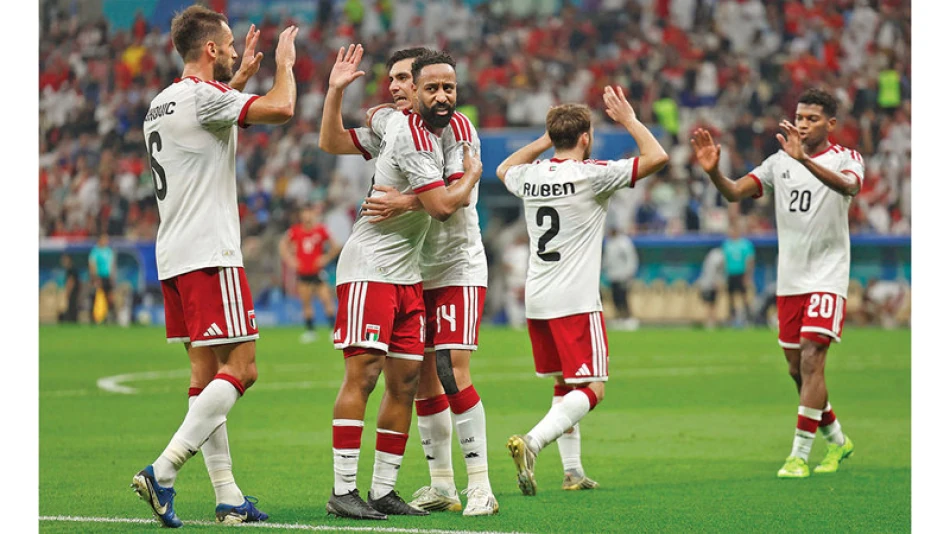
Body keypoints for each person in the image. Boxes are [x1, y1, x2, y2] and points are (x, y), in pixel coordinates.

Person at [130, 5, 298, 527]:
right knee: (243, 367)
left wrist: (240, 77)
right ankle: (163, 470)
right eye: (227, 46)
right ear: (209, 49)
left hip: (174, 254)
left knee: (205, 377)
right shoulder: (205, 97)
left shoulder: (161, 102)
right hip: (210, 253)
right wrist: (285, 64)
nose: (232, 52)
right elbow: (282, 108)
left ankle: (228, 497)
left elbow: (210, 118)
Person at [322, 45, 498, 516]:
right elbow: (333, 142)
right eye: (396, 80)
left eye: (406, 79)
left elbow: (452, 202)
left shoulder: (456, 130)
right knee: (399, 380)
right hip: (397, 267)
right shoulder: (396, 125)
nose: (398, 87)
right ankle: (430, 484)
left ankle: (478, 485)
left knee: (435, 374)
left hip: (453, 263)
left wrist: (403, 201)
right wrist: (336, 93)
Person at [496, 87, 669, 496]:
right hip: (575, 301)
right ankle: (533, 442)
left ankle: (572, 471)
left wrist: (544, 141)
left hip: (537, 300)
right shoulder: (592, 174)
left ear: (553, 137)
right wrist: (629, 120)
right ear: (586, 137)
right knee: (594, 388)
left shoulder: (531, 175)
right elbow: (658, 157)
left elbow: (504, 167)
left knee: (564, 385)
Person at [691, 88, 860, 478]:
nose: (803, 124)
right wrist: (714, 171)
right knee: (797, 370)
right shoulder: (778, 162)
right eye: (800, 117)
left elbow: (850, 186)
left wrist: (805, 161)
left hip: (828, 275)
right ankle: (838, 440)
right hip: (790, 279)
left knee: (813, 358)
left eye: (812, 118)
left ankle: (798, 455)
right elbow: (735, 192)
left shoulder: (846, 158)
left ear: (831, 124)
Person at [279, 203, 341, 343]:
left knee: (326, 300)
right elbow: (282, 245)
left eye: (309, 213)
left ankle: (333, 330)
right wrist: (290, 260)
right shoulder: (295, 231)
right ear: (301, 215)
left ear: (313, 214)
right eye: (304, 213)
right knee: (306, 302)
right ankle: (310, 331)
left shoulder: (320, 230)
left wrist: (325, 258)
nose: (307, 216)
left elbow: (336, 246)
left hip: (317, 272)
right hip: (303, 272)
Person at [602, 226, 639, 330]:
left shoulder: (624, 242)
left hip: (623, 275)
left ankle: (628, 317)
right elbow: (607, 259)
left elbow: (631, 258)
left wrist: (629, 272)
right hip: (612, 275)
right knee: (615, 297)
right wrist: (604, 270)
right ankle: (619, 317)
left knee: (623, 297)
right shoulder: (609, 242)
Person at [721, 219, 755, 326]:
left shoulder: (745, 244)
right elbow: (724, 261)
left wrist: (748, 275)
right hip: (731, 273)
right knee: (730, 297)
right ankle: (732, 317)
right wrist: (723, 275)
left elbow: (750, 260)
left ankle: (748, 318)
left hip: (741, 273)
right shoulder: (727, 244)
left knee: (744, 296)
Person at [88, 233, 116, 323]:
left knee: (110, 297)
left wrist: (112, 277)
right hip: (99, 277)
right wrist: (95, 278)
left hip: (107, 277)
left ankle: (110, 317)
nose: (106, 241)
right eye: (104, 239)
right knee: (97, 297)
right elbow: (92, 265)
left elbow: (112, 265)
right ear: (100, 240)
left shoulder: (109, 251)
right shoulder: (95, 251)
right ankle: (95, 318)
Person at [695, 247, 726, 329]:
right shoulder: (715, 259)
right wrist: (717, 283)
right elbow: (712, 273)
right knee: (709, 304)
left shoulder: (714, 259)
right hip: (708, 285)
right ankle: (709, 321)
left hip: (710, 285)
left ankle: (712, 321)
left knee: (712, 304)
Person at [58, 254, 80, 323]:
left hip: (73, 291)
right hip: (75, 291)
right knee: (72, 306)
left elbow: (71, 281)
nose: (63, 262)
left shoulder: (71, 269)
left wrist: (68, 292)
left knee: (71, 307)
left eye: (64, 260)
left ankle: (72, 321)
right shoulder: (72, 269)